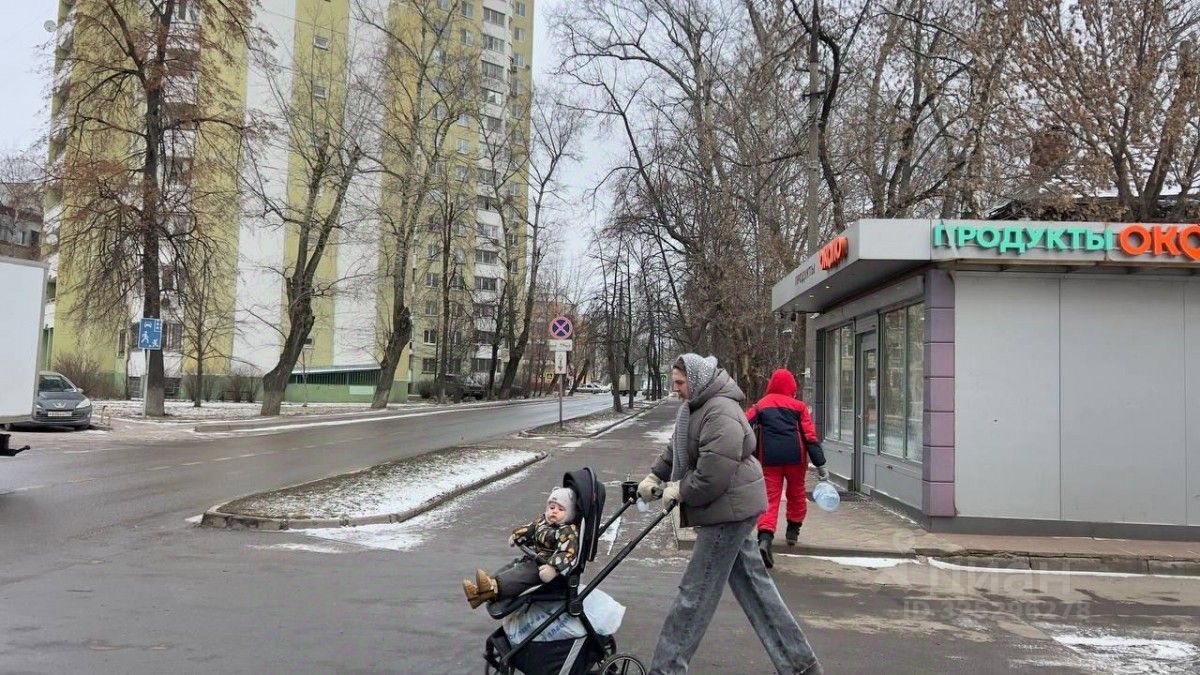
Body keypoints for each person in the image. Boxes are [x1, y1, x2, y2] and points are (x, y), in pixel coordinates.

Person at [637, 353, 822, 675]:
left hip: (727, 512)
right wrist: (655, 475)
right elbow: (677, 448)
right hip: (728, 508)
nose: (676, 388)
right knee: (757, 591)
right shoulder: (695, 408)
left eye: (680, 382)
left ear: (696, 380)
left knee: (694, 596)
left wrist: (681, 490)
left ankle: (665, 669)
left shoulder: (720, 411)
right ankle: (801, 665)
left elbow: (713, 473)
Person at [746, 368, 828, 568]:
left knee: (770, 497)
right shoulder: (799, 407)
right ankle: (793, 530)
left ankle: (765, 539)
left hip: (769, 458)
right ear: (791, 386)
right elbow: (809, 436)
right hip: (795, 458)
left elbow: (743, 422)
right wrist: (820, 464)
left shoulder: (761, 405)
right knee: (797, 493)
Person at [462, 487, 580, 609]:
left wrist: (553, 568)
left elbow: (567, 552)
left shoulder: (568, 531)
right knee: (513, 566)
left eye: (560, 509)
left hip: (546, 568)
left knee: (520, 574)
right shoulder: (542, 522)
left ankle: (493, 588)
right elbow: (530, 528)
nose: (554, 512)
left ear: (570, 513)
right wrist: (517, 535)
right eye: (552, 507)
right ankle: (480, 592)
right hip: (533, 559)